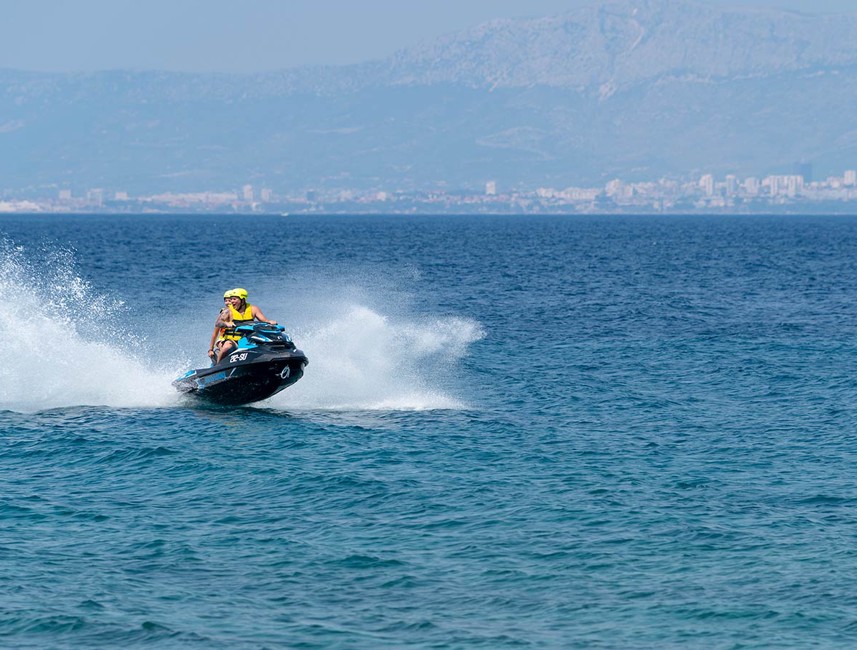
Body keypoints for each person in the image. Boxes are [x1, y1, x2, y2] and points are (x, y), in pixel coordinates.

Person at [208, 288, 278, 363]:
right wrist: (227, 324)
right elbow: (218, 323)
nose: (232, 301)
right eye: (231, 299)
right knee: (226, 347)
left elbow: (265, 321)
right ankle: (218, 367)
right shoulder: (227, 311)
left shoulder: (253, 309)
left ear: (243, 300)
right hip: (231, 340)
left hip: (248, 339)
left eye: (234, 299)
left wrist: (270, 322)